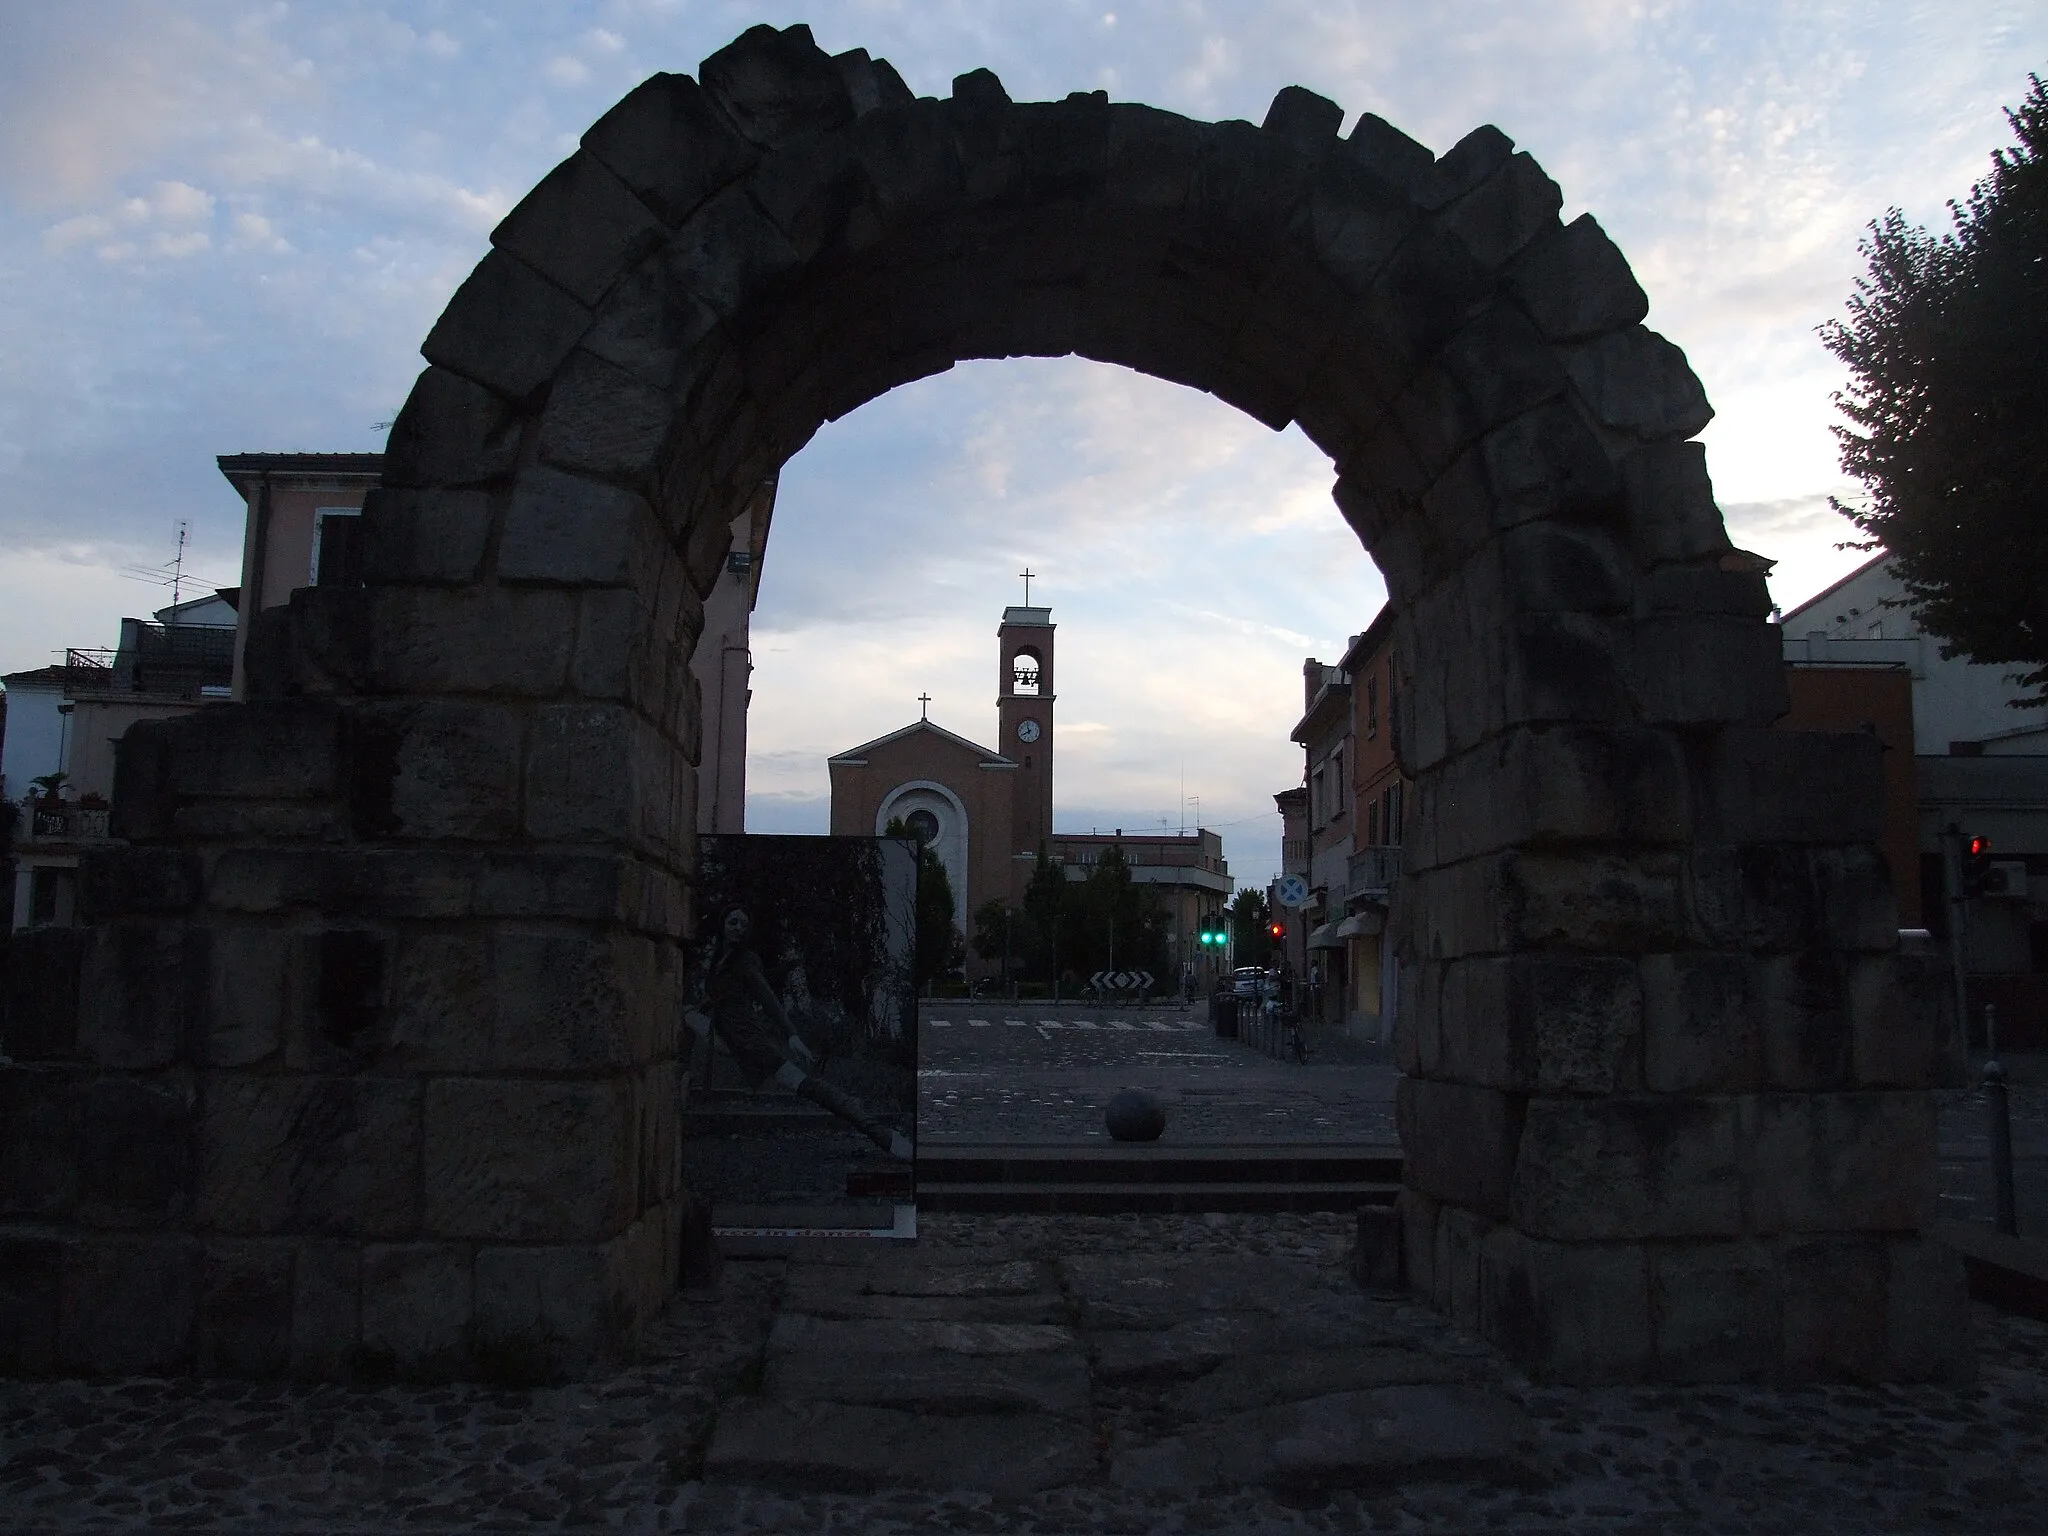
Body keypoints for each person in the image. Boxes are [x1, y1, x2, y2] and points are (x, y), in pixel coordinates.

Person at [687, 906, 913, 1161]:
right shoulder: (721, 960)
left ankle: (885, 1136)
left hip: (750, 1044)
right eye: (733, 922)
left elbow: (769, 999)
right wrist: (701, 1006)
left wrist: (791, 1034)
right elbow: (717, 996)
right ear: (723, 924)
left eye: (743, 923)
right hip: (727, 1038)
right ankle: (681, 1084)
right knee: (685, 1017)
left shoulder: (745, 960)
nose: (739, 927)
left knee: (809, 1087)